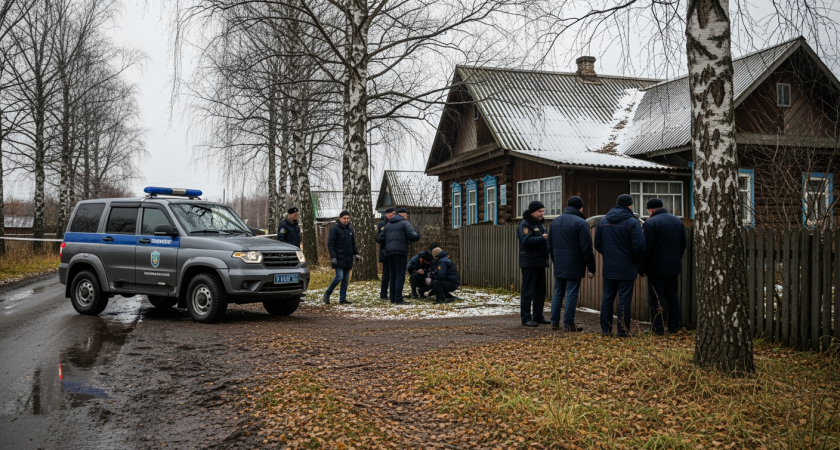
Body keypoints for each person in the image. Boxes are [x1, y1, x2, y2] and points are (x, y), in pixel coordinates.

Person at [594, 194, 645, 337]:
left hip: (609, 266)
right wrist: (636, 261)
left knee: (607, 298)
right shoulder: (633, 223)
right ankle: (622, 330)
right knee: (624, 299)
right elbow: (639, 246)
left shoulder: (603, 221)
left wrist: (609, 255)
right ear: (629, 206)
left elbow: (597, 244)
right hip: (627, 267)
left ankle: (606, 329)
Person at [547, 196, 596, 332]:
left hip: (560, 263)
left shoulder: (555, 222)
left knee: (557, 292)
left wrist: (555, 260)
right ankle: (568, 323)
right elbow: (586, 248)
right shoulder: (581, 223)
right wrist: (591, 267)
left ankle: (554, 321)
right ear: (580, 208)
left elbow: (549, 245)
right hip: (574, 264)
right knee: (571, 293)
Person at [639, 198, 687, 334]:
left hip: (656, 268)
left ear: (651, 210)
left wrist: (642, 269)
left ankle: (658, 327)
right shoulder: (678, 221)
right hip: (673, 266)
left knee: (657, 297)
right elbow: (683, 244)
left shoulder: (651, 223)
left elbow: (646, 248)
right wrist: (676, 259)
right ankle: (673, 326)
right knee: (672, 297)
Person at [518, 200, 550, 327]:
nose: (542, 214)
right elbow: (527, 241)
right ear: (532, 212)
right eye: (539, 211)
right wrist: (543, 238)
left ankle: (538, 315)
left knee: (540, 291)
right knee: (528, 291)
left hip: (540, 261)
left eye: (543, 211)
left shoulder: (540, 223)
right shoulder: (525, 224)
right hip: (529, 261)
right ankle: (526, 317)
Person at [378, 207, 420, 305]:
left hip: (389, 253)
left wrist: (387, 245)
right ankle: (398, 298)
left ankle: (393, 298)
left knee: (392, 275)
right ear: (403, 215)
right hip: (400, 252)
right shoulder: (405, 223)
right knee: (400, 275)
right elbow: (413, 236)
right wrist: (417, 235)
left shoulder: (388, 225)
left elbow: (380, 238)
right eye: (406, 215)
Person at [324, 211, 361, 305]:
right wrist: (333, 257)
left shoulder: (350, 229)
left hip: (348, 258)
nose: (346, 220)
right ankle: (327, 293)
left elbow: (353, 244)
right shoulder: (335, 229)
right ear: (340, 219)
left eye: (348, 218)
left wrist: (356, 254)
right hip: (338, 258)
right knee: (339, 277)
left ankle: (342, 299)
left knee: (345, 279)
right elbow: (330, 244)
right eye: (344, 218)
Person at [377, 208, 396, 299]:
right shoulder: (382, 224)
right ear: (386, 214)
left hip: (393, 251)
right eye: (391, 214)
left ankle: (393, 292)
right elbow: (379, 239)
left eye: (394, 214)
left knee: (393, 273)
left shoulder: (394, 223)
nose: (393, 215)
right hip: (385, 252)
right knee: (386, 274)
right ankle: (383, 294)